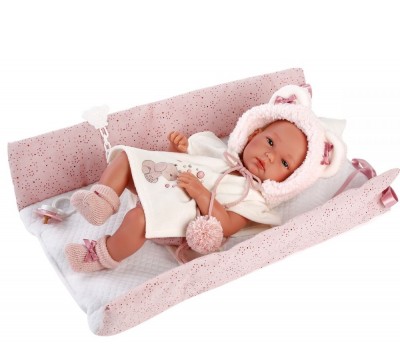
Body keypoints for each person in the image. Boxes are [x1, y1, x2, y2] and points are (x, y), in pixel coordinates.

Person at [65, 84, 346, 272]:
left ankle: (103, 255)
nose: (270, 156)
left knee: (137, 219)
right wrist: (178, 151)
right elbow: (184, 163)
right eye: (270, 142)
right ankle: (102, 200)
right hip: (162, 183)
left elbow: (226, 225)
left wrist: (200, 192)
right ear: (253, 134)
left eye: (284, 162)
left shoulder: (254, 198)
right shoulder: (218, 151)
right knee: (127, 157)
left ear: (291, 178)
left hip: (176, 216)